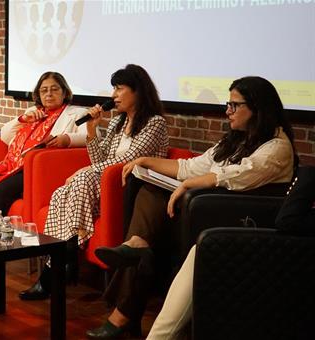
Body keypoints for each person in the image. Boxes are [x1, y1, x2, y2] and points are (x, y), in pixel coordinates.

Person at [87, 76, 296, 338]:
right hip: (199, 214)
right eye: (227, 104)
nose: (227, 111)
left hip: (231, 221)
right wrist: (145, 161)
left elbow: (241, 174)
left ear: (257, 108)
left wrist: (189, 185)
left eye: (234, 105)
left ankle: (125, 307)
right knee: (149, 189)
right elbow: (189, 167)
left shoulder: (277, 146)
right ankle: (136, 246)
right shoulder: (234, 140)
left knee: (149, 242)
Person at [19, 64, 170, 301]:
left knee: (83, 177)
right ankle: (63, 257)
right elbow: (102, 159)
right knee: (60, 193)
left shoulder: (154, 123)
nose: (113, 96)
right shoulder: (117, 123)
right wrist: (91, 130)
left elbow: (127, 160)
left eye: (119, 89)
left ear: (138, 91)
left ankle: (56, 268)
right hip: (105, 183)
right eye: (114, 89)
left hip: (131, 187)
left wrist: (85, 171)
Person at [145, 165, 314, 340]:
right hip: (286, 257)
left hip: (293, 268)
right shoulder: (239, 144)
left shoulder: (277, 148)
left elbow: (287, 220)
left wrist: (309, 174)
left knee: (202, 253)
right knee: (200, 251)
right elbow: (200, 165)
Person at [0, 71, 88, 221]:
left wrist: (67, 139)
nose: (49, 94)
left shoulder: (77, 113)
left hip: (36, 169)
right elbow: (5, 136)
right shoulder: (34, 113)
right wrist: (22, 119)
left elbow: (90, 137)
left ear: (64, 92)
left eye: (54, 89)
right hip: (12, 165)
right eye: (44, 90)